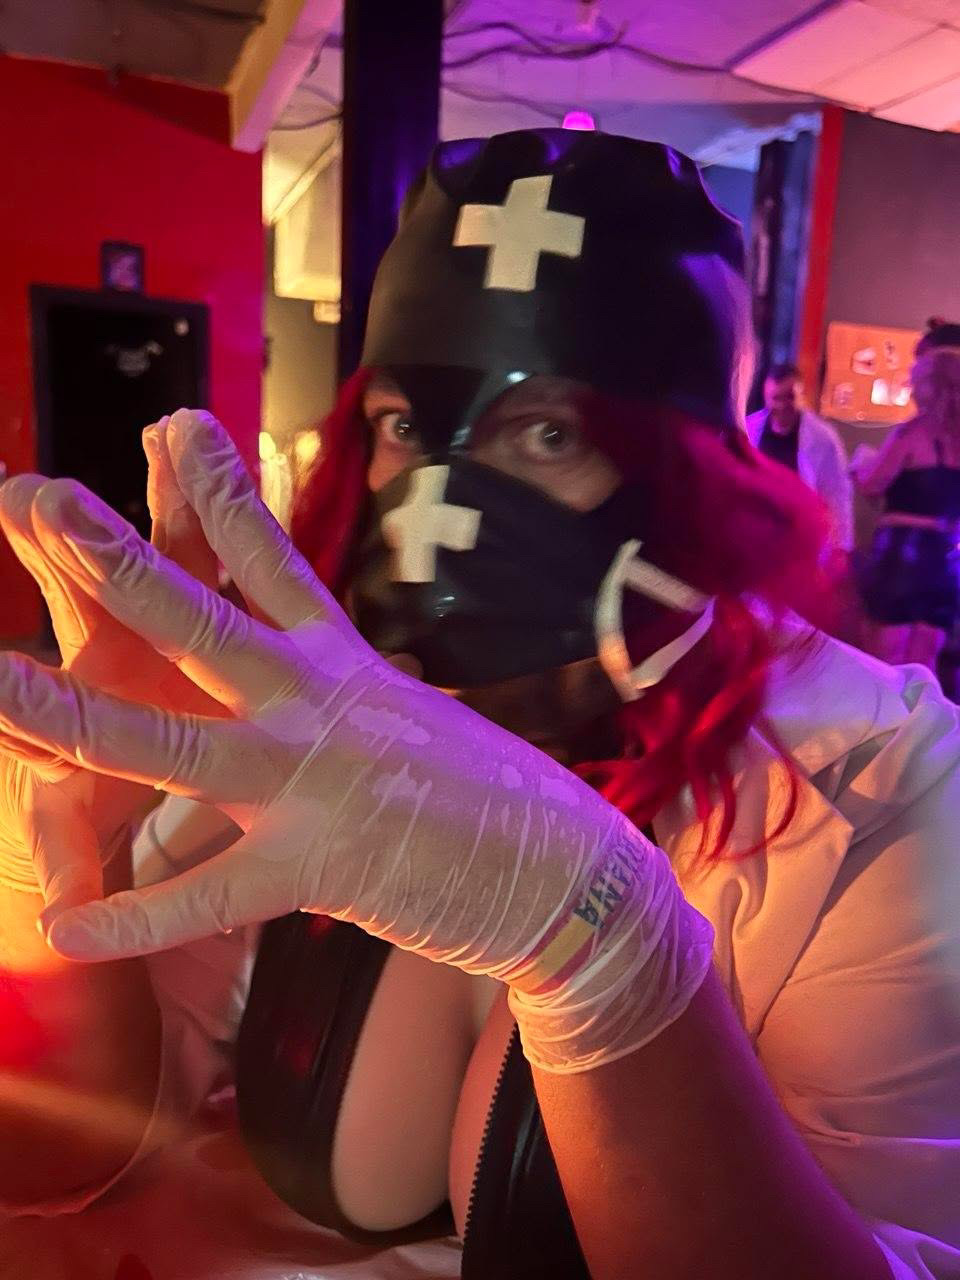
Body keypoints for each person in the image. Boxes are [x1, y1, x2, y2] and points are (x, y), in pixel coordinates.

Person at [0, 129, 958, 1280]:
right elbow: (64, 1148)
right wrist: (70, 850)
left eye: (548, 433)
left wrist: (610, 960)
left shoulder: (884, 774)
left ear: (692, 469)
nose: (445, 502)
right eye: (408, 426)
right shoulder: (322, 711)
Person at [853, 321, 960, 670]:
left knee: (885, 665)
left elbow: (872, 485)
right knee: (924, 667)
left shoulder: (912, 434)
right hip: (944, 559)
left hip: (901, 556)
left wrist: (858, 467)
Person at [746, 361, 854, 556]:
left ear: (801, 395)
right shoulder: (749, 430)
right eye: (775, 398)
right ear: (765, 397)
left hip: (799, 538)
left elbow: (837, 494)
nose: (782, 406)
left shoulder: (823, 438)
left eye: (789, 397)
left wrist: (840, 548)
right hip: (757, 536)